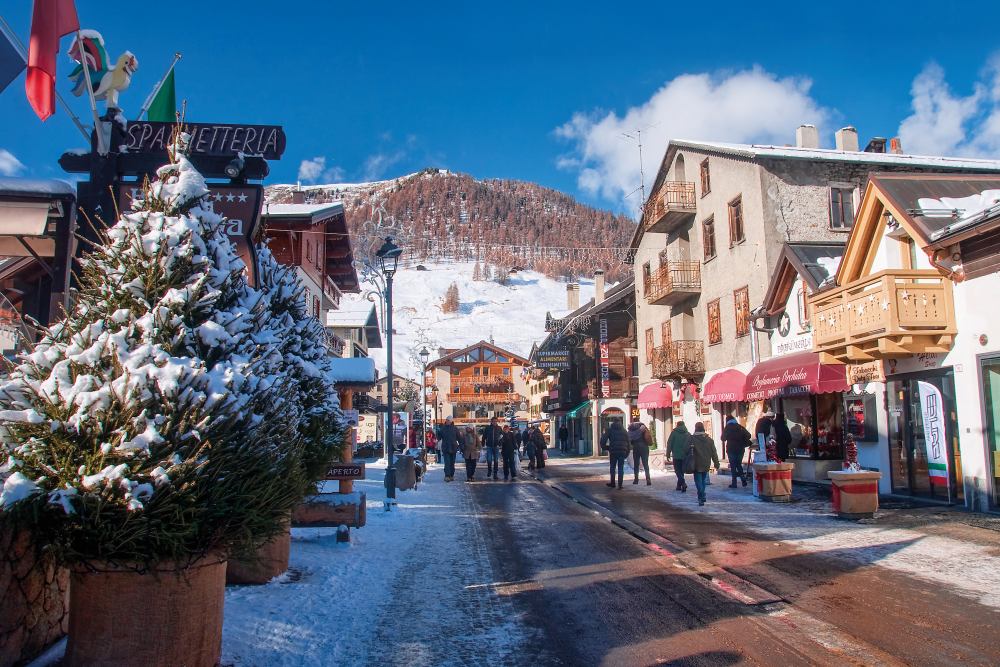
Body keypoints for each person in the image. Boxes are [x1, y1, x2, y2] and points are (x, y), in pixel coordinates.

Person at [689, 422, 720, 506]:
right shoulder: (709, 440)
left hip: (696, 463)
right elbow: (714, 453)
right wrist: (716, 463)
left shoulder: (692, 439)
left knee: (698, 481)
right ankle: (702, 494)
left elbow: (686, 450)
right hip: (706, 463)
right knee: (703, 480)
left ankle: (701, 495)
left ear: (695, 428)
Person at [722, 417, 752, 488]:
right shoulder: (740, 427)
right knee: (738, 464)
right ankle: (743, 479)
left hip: (731, 449)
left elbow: (722, 438)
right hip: (740, 449)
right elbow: (749, 435)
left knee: (733, 466)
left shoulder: (727, 427)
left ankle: (734, 483)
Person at [600, 420, 630, 489]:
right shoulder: (624, 431)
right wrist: (627, 452)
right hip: (622, 451)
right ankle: (620, 484)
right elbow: (629, 443)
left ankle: (613, 483)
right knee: (620, 468)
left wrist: (606, 448)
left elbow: (603, 440)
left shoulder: (610, 430)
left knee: (613, 467)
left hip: (613, 451)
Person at [666, 421, 690, 492]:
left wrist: (668, 453)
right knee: (681, 471)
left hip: (676, 455)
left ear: (677, 425)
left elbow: (669, 443)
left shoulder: (674, 433)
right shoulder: (687, 434)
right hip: (685, 455)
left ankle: (683, 483)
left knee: (677, 471)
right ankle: (679, 486)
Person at [628, 421, 653, 485]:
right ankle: (648, 479)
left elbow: (629, 439)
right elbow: (648, 436)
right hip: (644, 447)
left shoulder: (631, 429)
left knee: (636, 464)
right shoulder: (643, 428)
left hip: (636, 448)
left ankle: (636, 479)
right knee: (645, 464)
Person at [437, 417, 459, 482]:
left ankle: (451, 475)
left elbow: (459, 437)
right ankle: (447, 476)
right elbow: (439, 437)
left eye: (448, 420)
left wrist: (462, 446)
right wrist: (438, 433)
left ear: (451, 421)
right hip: (446, 448)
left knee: (452, 463)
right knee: (447, 462)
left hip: (453, 448)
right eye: (446, 420)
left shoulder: (455, 429)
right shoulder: (443, 428)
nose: (446, 421)